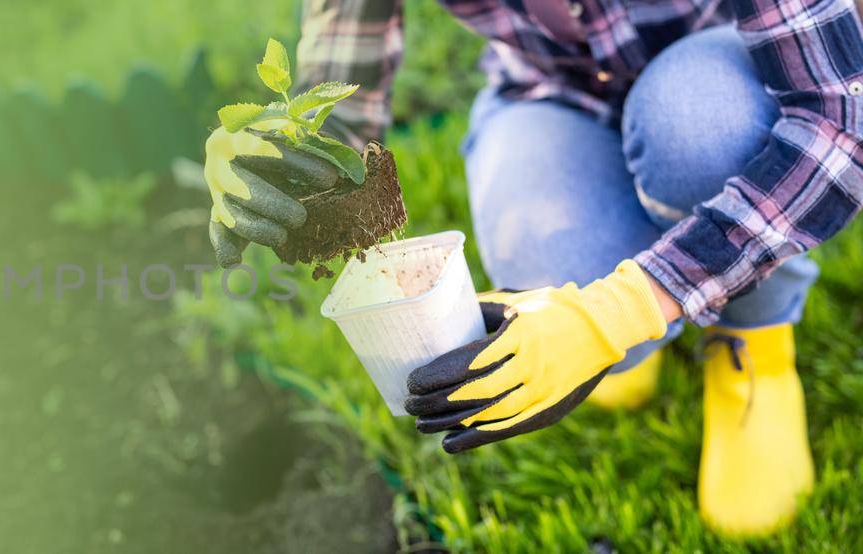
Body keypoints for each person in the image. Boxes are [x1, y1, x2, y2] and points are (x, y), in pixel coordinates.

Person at [201, 0, 863, 538]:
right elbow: (340, 96)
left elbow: (841, 120)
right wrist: (283, 161)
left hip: (720, 75)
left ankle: (753, 347)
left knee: (704, 127)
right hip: (555, 94)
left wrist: (624, 308)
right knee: (545, 253)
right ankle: (651, 321)